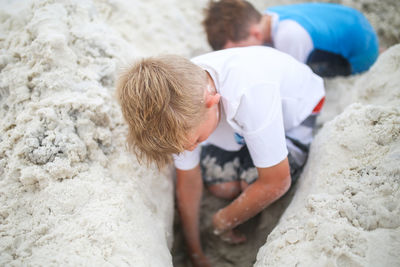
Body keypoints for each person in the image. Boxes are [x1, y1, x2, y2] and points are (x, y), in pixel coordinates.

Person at [117, 46, 325, 267]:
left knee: (251, 184)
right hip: (238, 123)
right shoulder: (178, 107)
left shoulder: (249, 92)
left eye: (196, 141)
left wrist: (222, 221)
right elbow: (188, 181)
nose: (190, 150)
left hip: (292, 119)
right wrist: (194, 251)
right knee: (222, 188)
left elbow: (277, 181)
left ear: (212, 101)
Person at [203, 0, 379, 77]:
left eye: (238, 51)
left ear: (256, 34)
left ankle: (379, 54)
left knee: (294, 70)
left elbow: (293, 83)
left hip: (362, 53)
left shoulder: (289, 36)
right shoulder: (267, 16)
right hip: (354, 20)